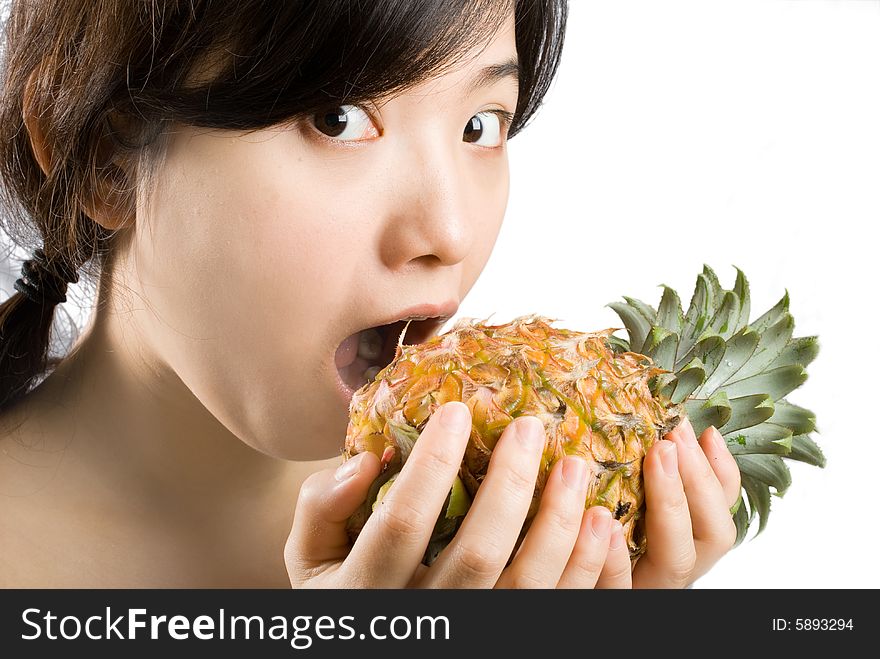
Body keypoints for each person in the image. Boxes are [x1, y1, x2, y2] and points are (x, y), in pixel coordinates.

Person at [0, 0, 740, 588]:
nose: (448, 232)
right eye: (340, 119)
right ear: (102, 156)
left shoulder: (514, 544)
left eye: (480, 126)